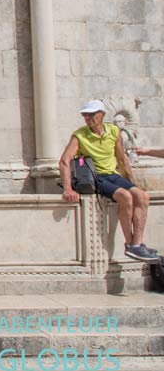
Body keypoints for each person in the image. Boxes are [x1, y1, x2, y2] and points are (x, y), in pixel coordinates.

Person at [59, 100, 157, 261]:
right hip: (96, 177)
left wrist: (132, 181)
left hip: (113, 174)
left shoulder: (113, 131)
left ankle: (137, 245)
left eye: (92, 114)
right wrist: (68, 188)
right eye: (85, 115)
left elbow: (121, 158)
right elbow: (64, 160)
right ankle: (130, 244)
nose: (88, 117)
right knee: (125, 196)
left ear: (102, 115)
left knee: (142, 196)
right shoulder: (79, 135)